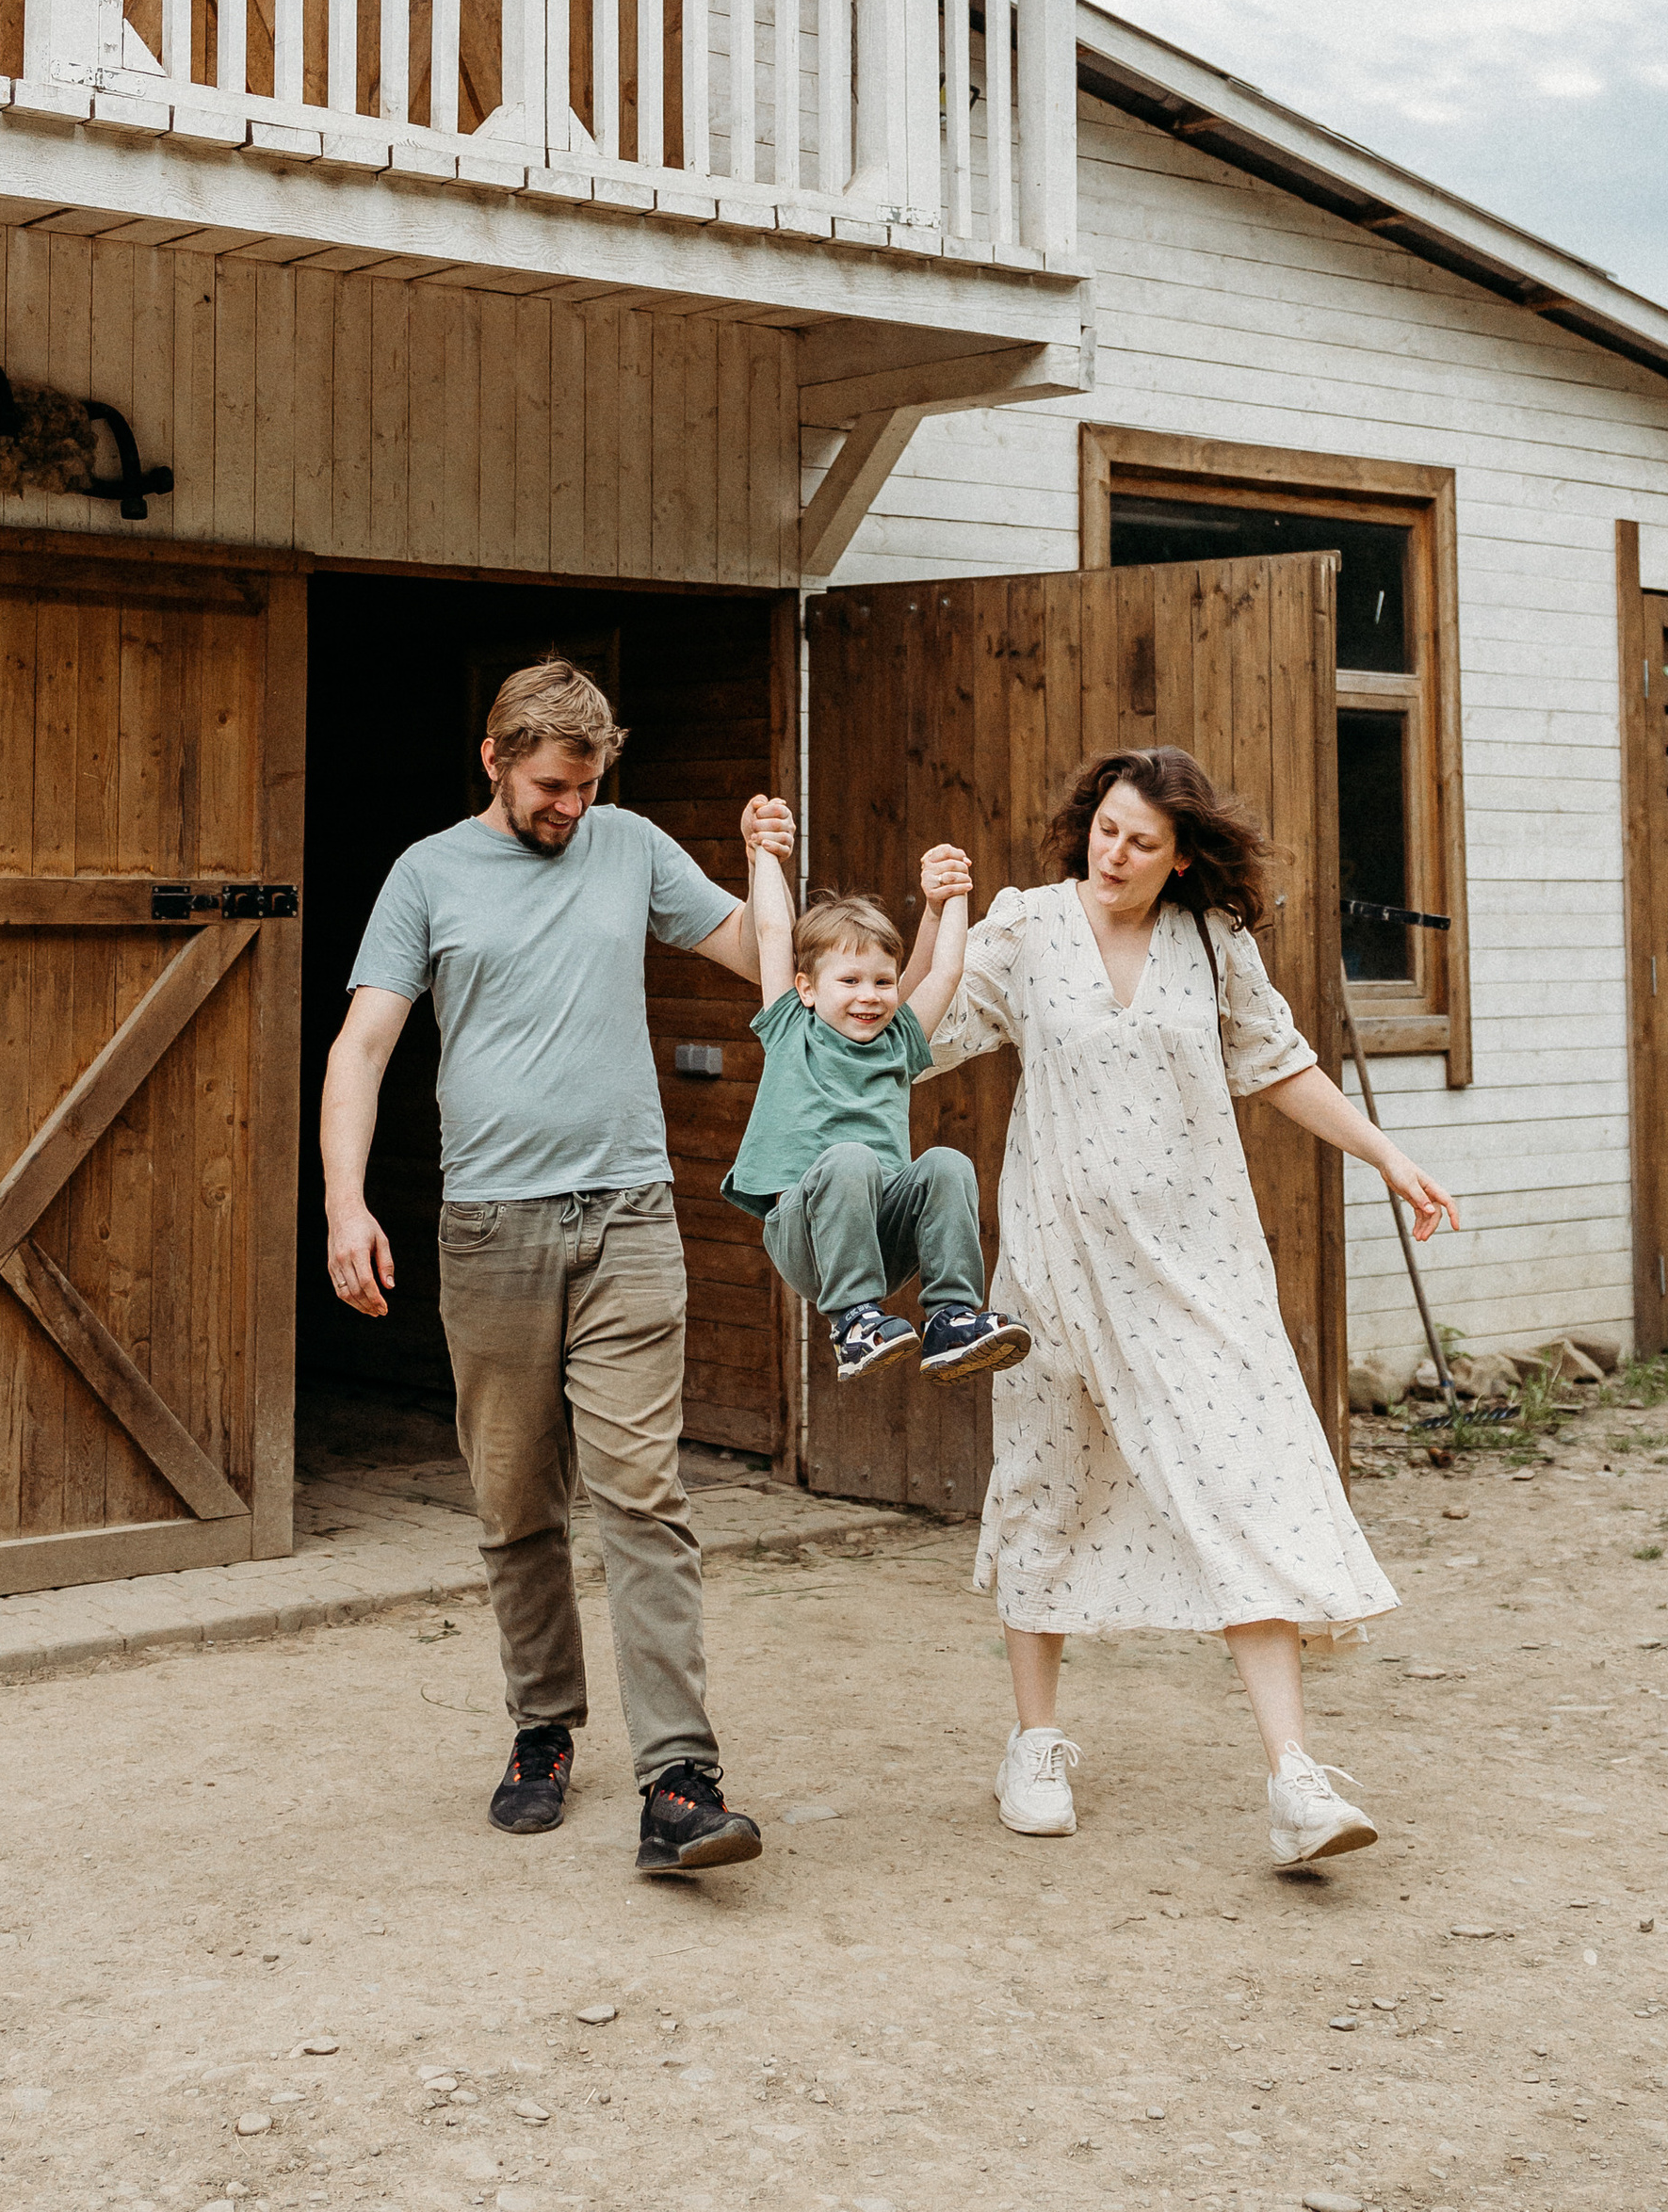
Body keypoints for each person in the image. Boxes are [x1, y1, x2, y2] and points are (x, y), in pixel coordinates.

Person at [915, 743, 1458, 1867]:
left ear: (1179, 859)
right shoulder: (1022, 929)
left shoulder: (1212, 947)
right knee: (1043, 1486)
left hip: (1196, 1268)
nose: (1114, 854)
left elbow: (1279, 1064)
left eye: (1142, 843)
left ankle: (1296, 1781)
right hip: (1057, 1272)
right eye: (1106, 830)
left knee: (1244, 1479)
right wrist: (937, 924)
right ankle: (1036, 1743)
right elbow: (918, 1038)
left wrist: (1386, 1155)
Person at [321, 657, 788, 1880]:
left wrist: (768, 862)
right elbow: (363, 1047)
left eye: (584, 787)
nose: (567, 810)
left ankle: (681, 1781)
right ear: (493, 759)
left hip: (629, 1217)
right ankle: (543, 1729)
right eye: (548, 788)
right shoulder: (426, 874)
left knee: (644, 1495)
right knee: (516, 1502)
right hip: (489, 1231)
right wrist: (342, 1203)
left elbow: (759, 957)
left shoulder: (629, 844)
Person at [724, 838, 1030, 1386]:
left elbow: (946, 970)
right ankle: (852, 1324)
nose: (870, 995)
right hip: (808, 1234)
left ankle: (951, 1318)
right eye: (850, 981)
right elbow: (774, 933)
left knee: (947, 1163)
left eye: (882, 981)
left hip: (882, 1241)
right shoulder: (792, 1029)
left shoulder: (898, 1042)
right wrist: (765, 851)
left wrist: (951, 894)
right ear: (807, 989)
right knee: (850, 1158)